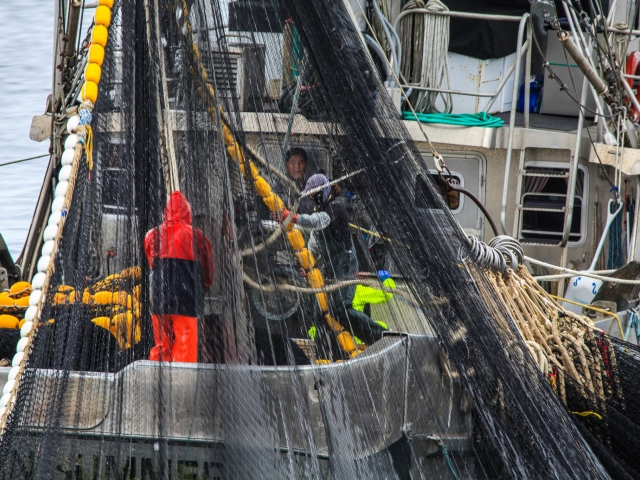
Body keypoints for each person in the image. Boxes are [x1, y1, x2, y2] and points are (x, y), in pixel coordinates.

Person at [144, 191, 214, 362]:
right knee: (186, 348)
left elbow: (152, 264)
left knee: (161, 347)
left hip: (160, 301)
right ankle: (181, 386)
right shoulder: (198, 236)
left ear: (165, 212)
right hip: (187, 301)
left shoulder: (152, 235)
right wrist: (203, 288)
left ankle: (156, 384)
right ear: (188, 212)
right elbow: (208, 272)